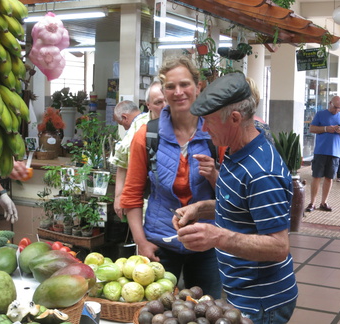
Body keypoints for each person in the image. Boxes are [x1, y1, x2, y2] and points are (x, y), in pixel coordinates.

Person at [172, 72, 298, 323]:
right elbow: (241, 205)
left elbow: (278, 247)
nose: (204, 130)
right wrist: (200, 209)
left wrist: (218, 236)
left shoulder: (262, 171)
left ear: (235, 118)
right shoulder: (235, 150)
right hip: (240, 291)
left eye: (208, 122)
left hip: (262, 301)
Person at [120, 56, 223, 298]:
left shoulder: (215, 132)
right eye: (170, 86)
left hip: (206, 242)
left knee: (206, 309)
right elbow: (132, 195)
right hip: (160, 243)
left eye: (185, 84)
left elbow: (232, 197)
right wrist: (141, 242)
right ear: (164, 93)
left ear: (198, 87)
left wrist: (214, 176)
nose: (178, 92)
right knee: (157, 312)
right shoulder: (147, 137)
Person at [305, 96, 340, 212]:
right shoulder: (320, 114)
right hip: (320, 151)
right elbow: (312, 129)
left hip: (335, 153)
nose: (337, 110)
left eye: (339, 108)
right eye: (335, 107)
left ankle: (324, 202)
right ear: (330, 103)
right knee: (316, 177)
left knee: (329, 178)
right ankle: (312, 203)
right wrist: (326, 129)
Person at [110, 100, 150, 219]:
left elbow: (122, 166)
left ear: (124, 117)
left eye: (122, 124)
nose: (124, 127)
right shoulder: (154, 120)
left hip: (143, 192)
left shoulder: (135, 129)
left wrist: (118, 198)